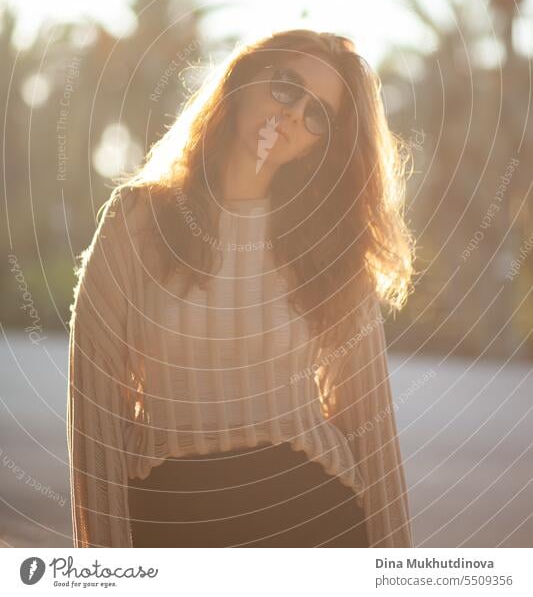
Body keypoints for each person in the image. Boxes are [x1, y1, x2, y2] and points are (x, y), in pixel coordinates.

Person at [67, 28, 415, 548]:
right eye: (286, 86)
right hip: (171, 512)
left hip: (312, 514)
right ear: (241, 80)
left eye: (318, 113)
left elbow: (369, 420)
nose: (295, 113)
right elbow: (94, 404)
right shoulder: (137, 219)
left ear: (320, 143)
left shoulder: (327, 244)